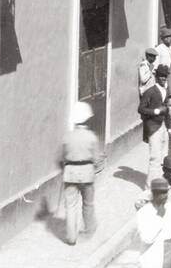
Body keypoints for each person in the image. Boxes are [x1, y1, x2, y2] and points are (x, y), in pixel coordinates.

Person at [60, 100, 103, 245]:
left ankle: (71, 238)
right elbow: (96, 159)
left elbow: (62, 157)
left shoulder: (67, 136)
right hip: (86, 173)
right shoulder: (91, 137)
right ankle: (89, 231)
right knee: (88, 203)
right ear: (87, 120)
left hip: (70, 173)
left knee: (70, 206)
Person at [136, 177, 171, 268]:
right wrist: (159, 218)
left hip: (169, 257)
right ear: (154, 194)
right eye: (160, 193)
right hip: (151, 257)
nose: (164, 196)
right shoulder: (144, 212)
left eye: (165, 192)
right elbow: (146, 238)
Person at [140, 65, 171, 182]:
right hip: (153, 127)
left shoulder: (166, 90)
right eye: (161, 76)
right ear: (157, 77)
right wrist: (156, 111)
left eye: (165, 76)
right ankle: (149, 187)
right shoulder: (150, 91)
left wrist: (169, 127)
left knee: (163, 157)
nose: (163, 78)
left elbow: (167, 109)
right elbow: (141, 109)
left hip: (163, 126)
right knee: (155, 158)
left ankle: (159, 182)